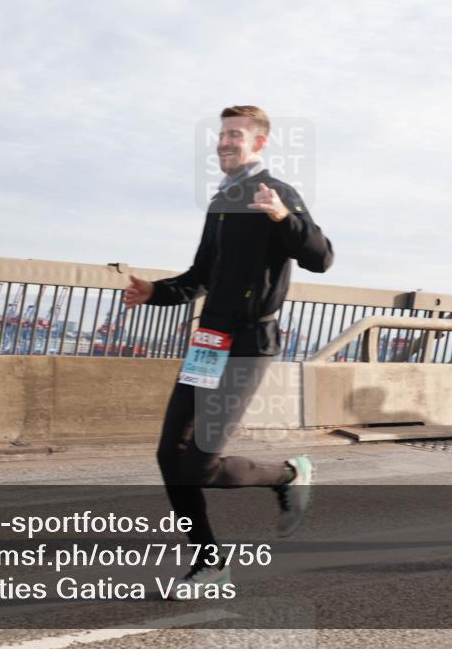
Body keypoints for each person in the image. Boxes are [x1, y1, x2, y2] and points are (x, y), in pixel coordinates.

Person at [124, 105, 334, 596]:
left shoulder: (275, 193)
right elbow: (200, 277)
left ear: (258, 143)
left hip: (248, 343)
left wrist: (283, 218)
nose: (224, 142)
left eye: (235, 135)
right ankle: (209, 562)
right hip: (209, 341)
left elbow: (321, 257)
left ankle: (288, 475)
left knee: (199, 464)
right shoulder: (221, 202)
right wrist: (154, 292)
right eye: (221, 135)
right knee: (169, 455)